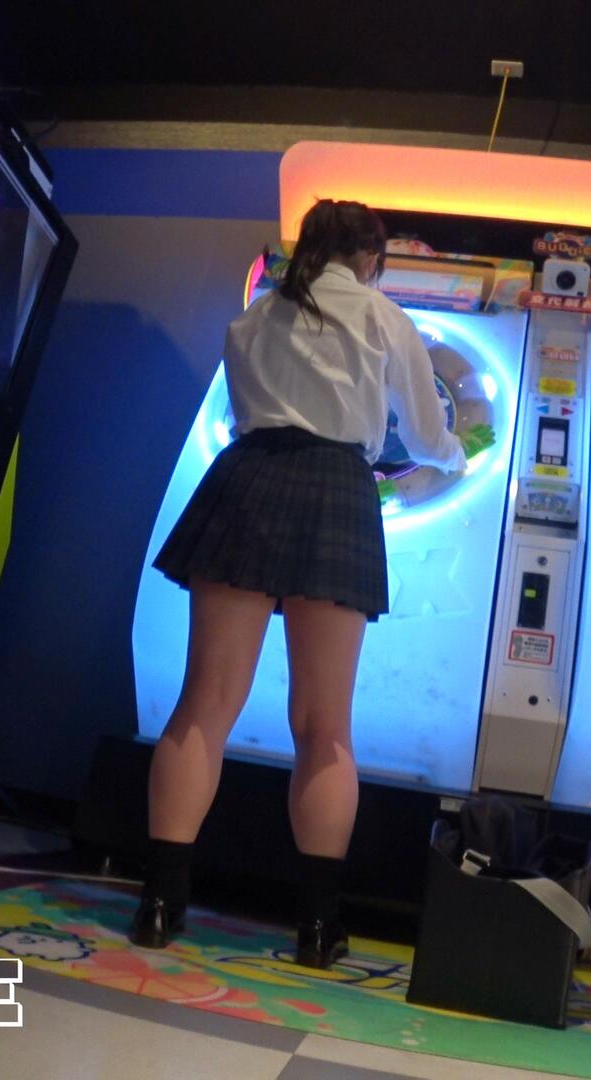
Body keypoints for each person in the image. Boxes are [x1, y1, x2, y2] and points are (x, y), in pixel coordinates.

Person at [132, 199, 492, 968]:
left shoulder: (256, 317)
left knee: (204, 707)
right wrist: (457, 455)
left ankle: (160, 902)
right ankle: (319, 927)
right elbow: (425, 433)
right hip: (336, 492)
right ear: (371, 259)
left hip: (249, 479)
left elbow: (242, 414)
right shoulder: (383, 317)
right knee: (324, 727)